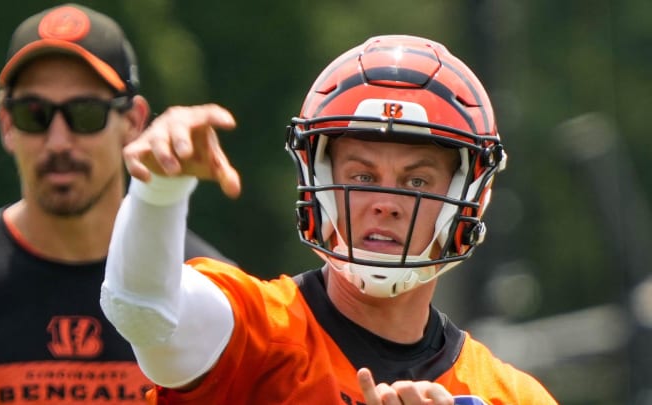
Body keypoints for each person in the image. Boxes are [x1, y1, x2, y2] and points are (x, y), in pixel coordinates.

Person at [101, 35, 558, 404]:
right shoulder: (257, 334)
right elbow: (142, 311)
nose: (386, 202)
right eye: (362, 175)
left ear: (466, 197)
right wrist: (157, 193)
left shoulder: (511, 397)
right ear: (320, 181)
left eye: (417, 182)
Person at [0, 4, 234, 405]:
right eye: (34, 114)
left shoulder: (206, 294)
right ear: (6, 125)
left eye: (86, 113)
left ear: (133, 122)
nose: (58, 142)